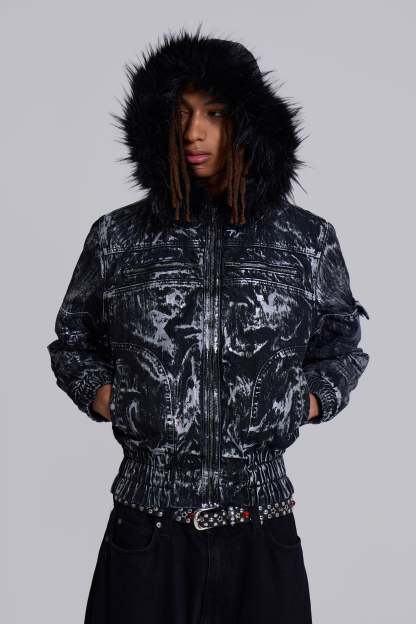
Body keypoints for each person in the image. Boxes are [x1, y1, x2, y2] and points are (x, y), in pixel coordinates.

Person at [46, 26, 370, 624]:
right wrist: (108, 397)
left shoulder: (306, 238)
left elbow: (342, 344)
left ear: (248, 123)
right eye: (180, 113)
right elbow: (73, 339)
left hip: (262, 526)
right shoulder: (118, 235)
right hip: (146, 528)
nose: (193, 132)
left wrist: (304, 402)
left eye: (214, 113)